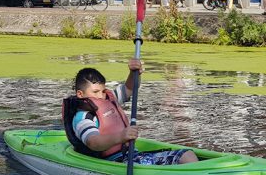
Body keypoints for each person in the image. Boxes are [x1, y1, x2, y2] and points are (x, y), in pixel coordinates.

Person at [63, 59, 199, 165]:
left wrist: (134, 72)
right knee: (186, 157)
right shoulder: (83, 117)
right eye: (95, 92)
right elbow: (94, 142)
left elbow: (129, 88)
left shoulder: (109, 99)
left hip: (130, 155)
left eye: (103, 91)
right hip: (116, 162)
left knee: (188, 154)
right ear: (80, 94)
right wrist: (121, 136)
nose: (101, 96)